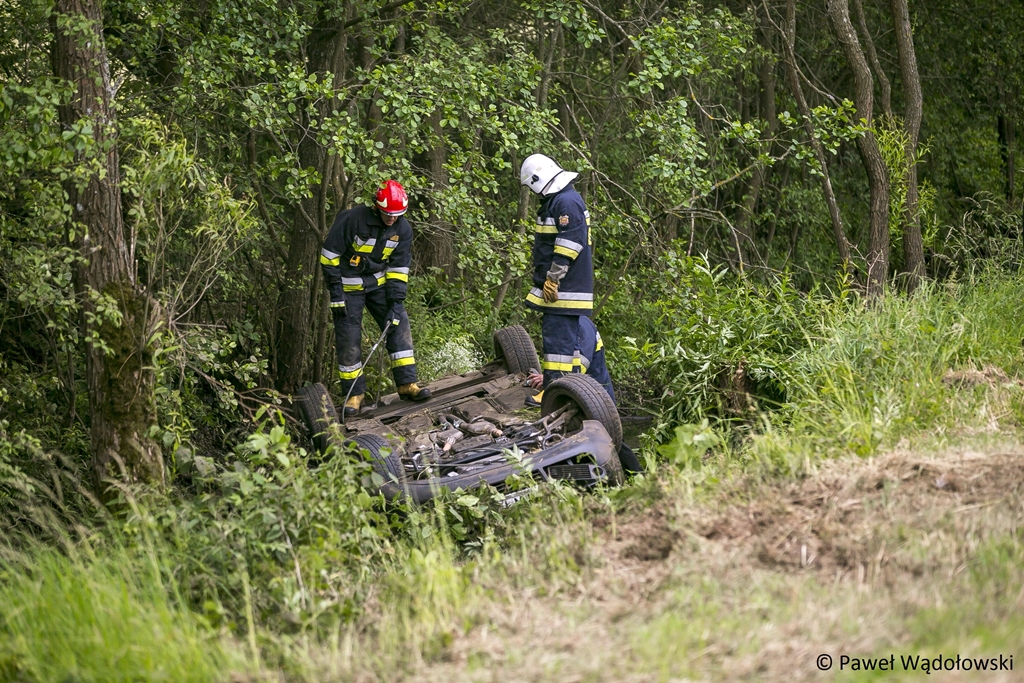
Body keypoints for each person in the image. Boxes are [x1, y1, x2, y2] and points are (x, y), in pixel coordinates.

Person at [519, 154, 641, 473]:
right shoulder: (560, 200)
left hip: (564, 289)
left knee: (557, 342)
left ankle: (554, 391)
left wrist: (553, 277)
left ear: (539, 180)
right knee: (554, 339)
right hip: (563, 291)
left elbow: (569, 245)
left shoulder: (566, 203)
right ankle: (638, 475)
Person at [320, 180, 430, 416]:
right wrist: (336, 294)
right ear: (377, 207)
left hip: (379, 285)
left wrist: (396, 302)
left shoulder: (403, 229)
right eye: (388, 214)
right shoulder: (353, 220)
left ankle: (407, 383)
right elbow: (329, 256)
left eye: (397, 214)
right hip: (348, 287)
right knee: (349, 338)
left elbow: (399, 268)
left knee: (399, 324)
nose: (392, 219)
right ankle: (354, 395)